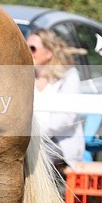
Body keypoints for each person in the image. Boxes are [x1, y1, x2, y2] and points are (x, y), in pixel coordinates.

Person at [27, 28, 85, 172]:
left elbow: (66, 118)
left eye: (32, 48)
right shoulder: (23, 78)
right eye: (25, 47)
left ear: (49, 53)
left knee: (34, 159)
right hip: (30, 139)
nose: (27, 52)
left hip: (59, 142)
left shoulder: (69, 76)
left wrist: (36, 132)